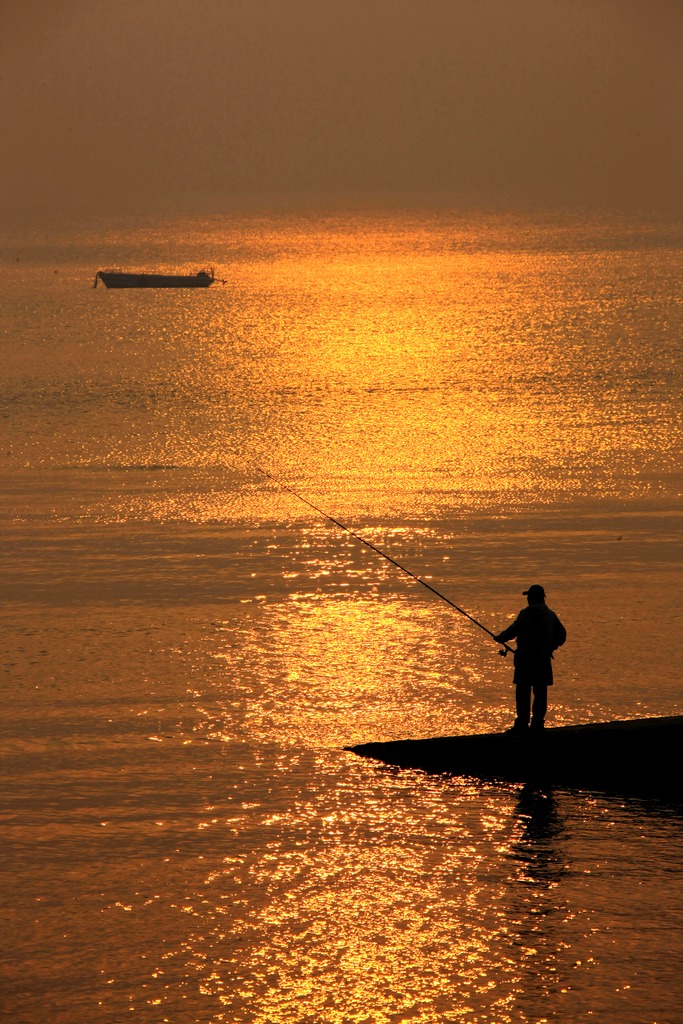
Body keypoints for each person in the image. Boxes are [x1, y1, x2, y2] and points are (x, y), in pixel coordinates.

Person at [494, 585, 566, 732]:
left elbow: (513, 630)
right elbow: (562, 635)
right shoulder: (550, 615)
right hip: (543, 659)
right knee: (540, 692)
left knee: (523, 692)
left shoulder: (526, 614)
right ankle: (537, 724)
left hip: (525, 660)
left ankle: (522, 724)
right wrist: (551, 646)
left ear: (532, 598)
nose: (527, 599)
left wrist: (500, 637)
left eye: (528, 596)